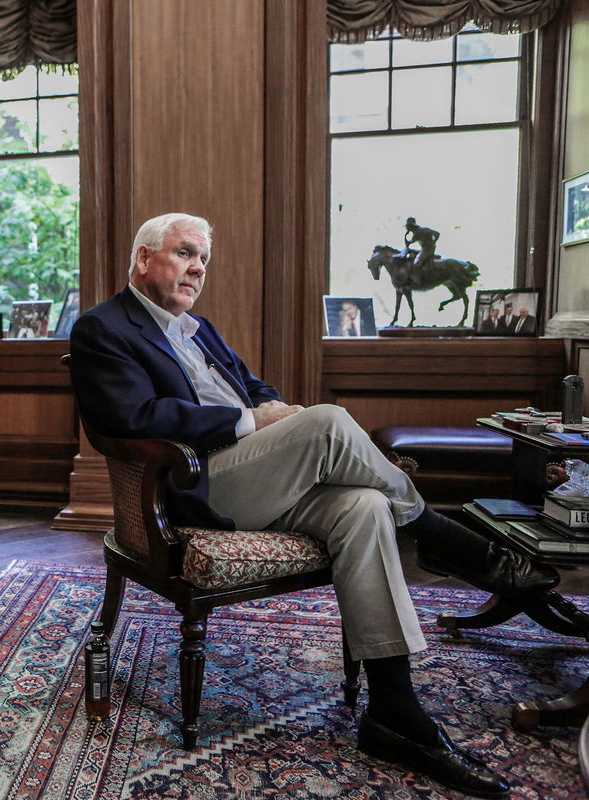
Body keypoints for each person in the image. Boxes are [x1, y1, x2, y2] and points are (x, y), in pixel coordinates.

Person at [69, 213, 558, 798]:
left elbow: (256, 389)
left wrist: (277, 413)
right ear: (144, 258)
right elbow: (131, 419)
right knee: (329, 423)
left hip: (262, 473)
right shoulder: (103, 328)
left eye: (203, 258)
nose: (198, 267)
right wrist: (254, 421)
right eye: (184, 253)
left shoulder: (200, 329)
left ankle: (395, 714)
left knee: (366, 509)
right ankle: (441, 535)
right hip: (194, 487)